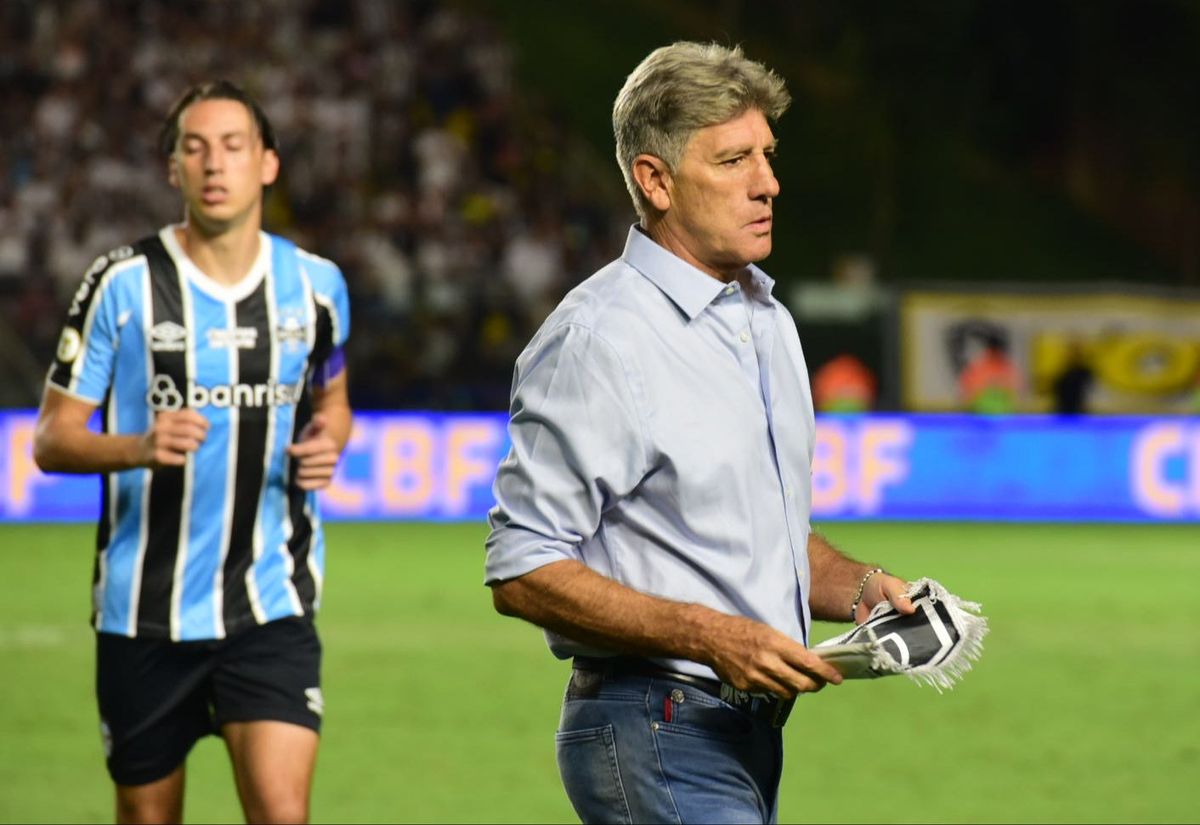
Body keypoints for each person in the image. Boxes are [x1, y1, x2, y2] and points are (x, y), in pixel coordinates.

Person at [484, 42, 918, 824]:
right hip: (654, 722)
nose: (768, 182)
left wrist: (862, 587)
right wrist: (712, 635)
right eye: (733, 160)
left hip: (740, 733)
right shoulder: (600, 338)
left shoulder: (766, 320)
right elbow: (522, 567)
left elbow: (751, 538)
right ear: (655, 180)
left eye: (767, 155)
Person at [32, 80, 352, 824]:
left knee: (282, 813)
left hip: (270, 600)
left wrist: (328, 440)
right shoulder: (121, 284)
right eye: (195, 148)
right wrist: (138, 445)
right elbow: (50, 438)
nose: (215, 163)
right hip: (143, 610)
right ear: (172, 168)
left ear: (267, 163)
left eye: (233, 146)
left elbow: (334, 401)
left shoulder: (317, 286)